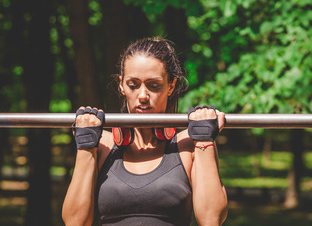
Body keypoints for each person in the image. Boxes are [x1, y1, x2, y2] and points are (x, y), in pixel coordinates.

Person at [62, 37, 228, 226]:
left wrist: (205, 140)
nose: (142, 96)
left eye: (154, 85)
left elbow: (211, 220)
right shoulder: (100, 145)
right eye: (133, 84)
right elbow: (74, 222)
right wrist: (85, 148)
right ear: (121, 85)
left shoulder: (189, 145)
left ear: (171, 86)